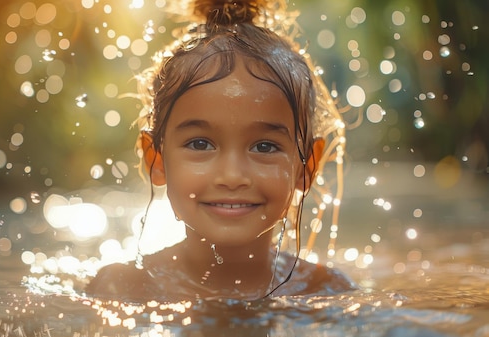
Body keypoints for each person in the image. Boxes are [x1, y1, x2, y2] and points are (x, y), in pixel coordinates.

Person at [85, 0, 355, 301]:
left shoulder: (324, 290)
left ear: (307, 166)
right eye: (200, 144)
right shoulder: (124, 288)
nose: (232, 175)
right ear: (156, 160)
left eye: (264, 146)